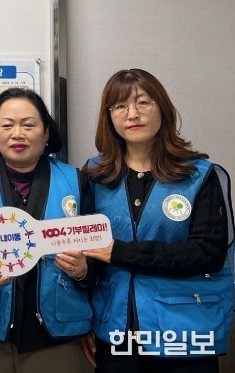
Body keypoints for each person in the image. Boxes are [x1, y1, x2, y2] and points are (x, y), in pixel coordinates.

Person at [82, 68, 232, 372]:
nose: (132, 114)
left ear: (162, 108)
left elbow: (208, 254)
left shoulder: (199, 175)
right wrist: (82, 320)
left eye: (143, 102)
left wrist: (120, 252)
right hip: (115, 330)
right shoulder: (94, 175)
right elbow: (87, 254)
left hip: (186, 332)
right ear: (108, 116)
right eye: (120, 105)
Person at [0, 88, 93, 373]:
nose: (17, 134)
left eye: (28, 125)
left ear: (46, 132)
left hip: (58, 336)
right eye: (7, 125)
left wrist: (83, 269)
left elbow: (98, 248)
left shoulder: (76, 181)